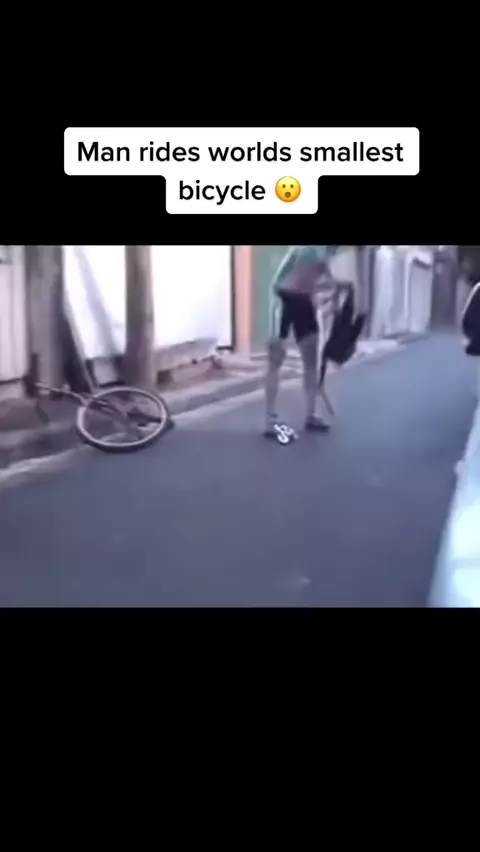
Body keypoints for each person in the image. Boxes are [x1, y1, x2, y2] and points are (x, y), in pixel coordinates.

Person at [264, 245, 352, 437]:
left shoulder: (330, 251)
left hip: (304, 301)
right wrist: (333, 285)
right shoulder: (310, 249)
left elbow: (323, 279)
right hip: (283, 297)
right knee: (276, 359)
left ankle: (310, 415)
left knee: (311, 360)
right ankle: (270, 418)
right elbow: (308, 274)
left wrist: (338, 288)